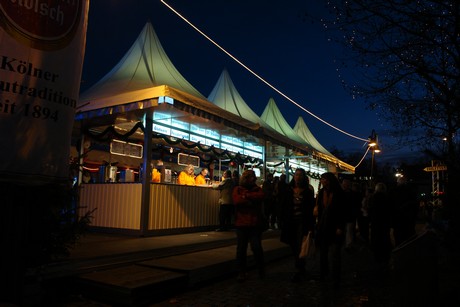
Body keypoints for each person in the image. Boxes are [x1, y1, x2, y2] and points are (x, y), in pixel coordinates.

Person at [279, 168, 315, 282]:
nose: (298, 177)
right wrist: (281, 219)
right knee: (293, 244)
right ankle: (299, 265)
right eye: (296, 175)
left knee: (300, 243)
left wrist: (311, 225)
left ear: (304, 177)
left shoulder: (308, 191)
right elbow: (282, 205)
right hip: (290, 221)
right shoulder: (288, 189)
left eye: (300, 175)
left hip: (302, 221)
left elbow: (310, 209)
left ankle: (300, 267)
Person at [232, 169, 265, 282]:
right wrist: (250, 199)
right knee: (241, 249)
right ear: (246, 178)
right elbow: (237, 201)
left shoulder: (256, 189)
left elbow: (260, 197)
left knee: (255, 247)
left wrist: (245, 196)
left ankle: (259, 269)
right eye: (252, 176)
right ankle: (242, 272)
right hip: (242, 224)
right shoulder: (238, 189)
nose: (254, 178)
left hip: (253, 223)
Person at [315, 172, 346, 288]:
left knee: (335, 254)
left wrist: (340, 227)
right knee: (323, 253)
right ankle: (324, 273)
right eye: (322, 179)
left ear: (329, 180)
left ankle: (335, 277)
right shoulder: (322, 192)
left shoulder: (339, 193)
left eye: (324, 179)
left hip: (334, 226)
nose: (322, 181)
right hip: (323, 226)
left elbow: (342, 211)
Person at [368, 182, 393, 266]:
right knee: (385, 236)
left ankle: (377, 255)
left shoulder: (373, 197)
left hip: (375, 221)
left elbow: (370, 209)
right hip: (385, 221)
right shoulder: (387, 197)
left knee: (376, 237)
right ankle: (385, 254)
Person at [390, 176, 419, 247]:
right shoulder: (411, 191)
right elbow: (415, 205)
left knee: (398, 240)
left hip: (398, 220)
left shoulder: (394, 191)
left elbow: (391, 206)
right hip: (409, 219)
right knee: (409, 240)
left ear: (398, 182)